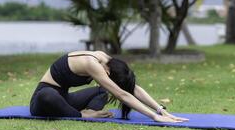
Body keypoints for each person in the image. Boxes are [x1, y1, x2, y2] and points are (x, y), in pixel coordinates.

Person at [30, 50, 189, 122]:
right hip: (43, 101)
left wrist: (161, 110)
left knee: (102, 91)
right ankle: (82, 115)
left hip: (65, 99)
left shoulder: (107, 61)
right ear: (107, 71)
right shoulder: (91, 63)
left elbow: (131, 88)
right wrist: (154, 118)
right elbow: (122, 94)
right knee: (48, 95)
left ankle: (86, 112)